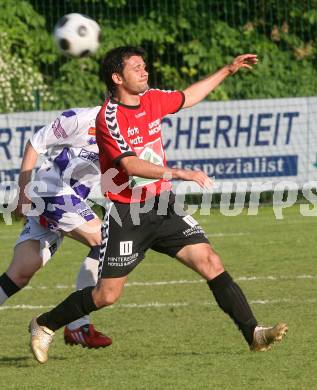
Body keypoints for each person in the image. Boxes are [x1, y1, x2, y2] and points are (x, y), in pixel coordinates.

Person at [29, 46, 287, 364]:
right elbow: (130, 165)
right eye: (136, 67)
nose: (144, 71)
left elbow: (187, 97)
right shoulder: (107, 118)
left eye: (144, 66)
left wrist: (226, 70)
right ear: (117, 77)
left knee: (210, 261)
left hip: (164, 206)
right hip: (128, 214)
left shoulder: (151, 98)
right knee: (106, 295)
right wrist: (179, 172)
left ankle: (254, 334)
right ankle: (44, 324)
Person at [0, 107, 112, 349]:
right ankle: (77, 326)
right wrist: (23, 193)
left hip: (67, 198)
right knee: (106, 241)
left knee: (20, 272)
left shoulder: (127, 126)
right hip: (52, 191)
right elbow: (34, 143)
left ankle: (76, 327)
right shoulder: (80, 119)